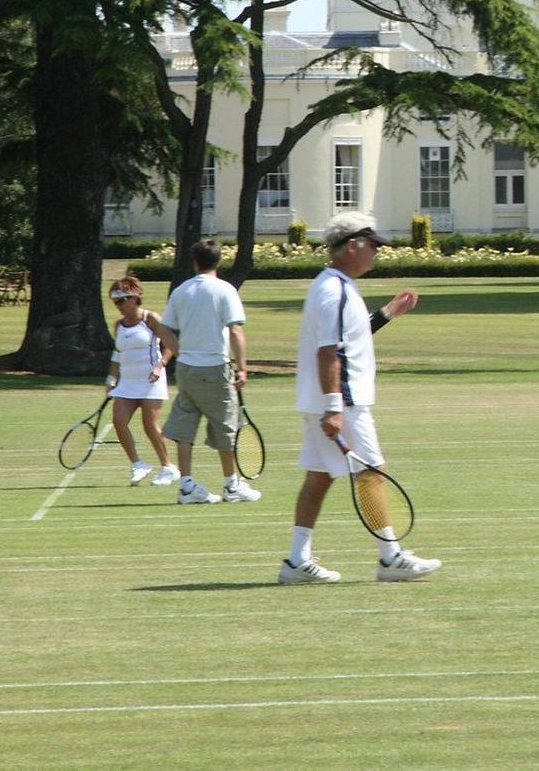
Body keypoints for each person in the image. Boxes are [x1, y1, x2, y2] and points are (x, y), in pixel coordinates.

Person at [279, 211, 439, 585]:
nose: (377, 253)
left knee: (319, 478)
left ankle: (296, 561)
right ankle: (390, 557)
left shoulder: (335, 285)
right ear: (353, 245)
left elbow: (352, 337)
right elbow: (328, 351)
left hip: (330, 400)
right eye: (373, 246)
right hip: (342, 402)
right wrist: (334, 406)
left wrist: (387, 313)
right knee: (371, 473)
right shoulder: (333, 290)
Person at [159, 239, 260, 505]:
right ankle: (231, 485)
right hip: (215, 367)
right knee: (226, 427)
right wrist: (242, 368)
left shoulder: (181, 291)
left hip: (187, 370)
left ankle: (187, 486)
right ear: (218, 261)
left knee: (184, 427)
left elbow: (165, 328)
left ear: (195, 262)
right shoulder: (225, 290)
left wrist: (180, 352)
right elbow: (236, 330)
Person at [105, 276, 179, 486]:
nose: (118, 306)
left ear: (134, 298)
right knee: (119, 422)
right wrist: (111, 379)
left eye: (121, 301)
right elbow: (117, 354)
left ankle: (168, 467)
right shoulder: (118, 325)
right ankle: (138, 464)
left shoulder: (150, 319)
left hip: (151, 380)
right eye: (115, 302)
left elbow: (171, 345)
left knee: (149, 425)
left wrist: (160, 365)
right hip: (127, 383)